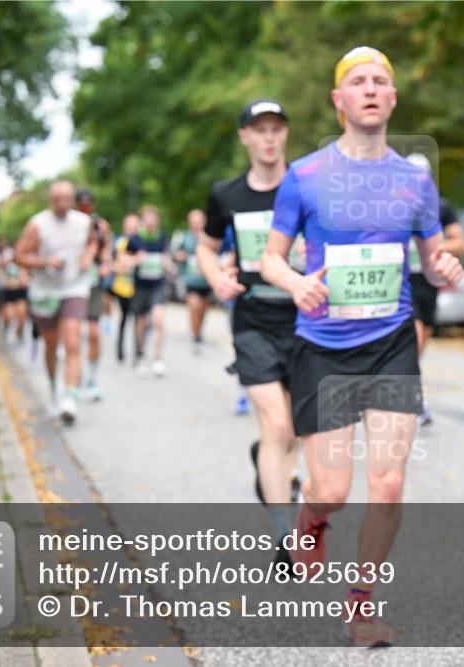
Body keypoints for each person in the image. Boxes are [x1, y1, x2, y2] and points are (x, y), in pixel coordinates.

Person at [261, 46, 463, 647]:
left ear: (393, 99)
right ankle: (311, 518)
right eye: (358, 82)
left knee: (389, 483)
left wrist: (446, 268)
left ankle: (361, 605)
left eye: (380, 81)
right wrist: (296, 282)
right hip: (322, 347)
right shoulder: (304, 176)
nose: (371, 89)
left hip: (391, 342)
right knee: (331, 490)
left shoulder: (415, 180)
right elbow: (270, 258)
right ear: (339, 100)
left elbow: (433, 259)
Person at [199, 98, 300, 557]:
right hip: (254, 321)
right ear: (244, 136)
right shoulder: (227, 194)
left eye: (276, 128)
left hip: (306, 321)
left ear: (285, 135)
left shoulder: (307, 188)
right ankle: (284, 534)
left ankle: (270, 466)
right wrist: (217, 275)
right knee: (277, 425)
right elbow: (206, 245)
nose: (269, 137)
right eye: (259, 129)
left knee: (295, 428)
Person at [14, 180, 97, 425]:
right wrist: (45, 262)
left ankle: (70, 399)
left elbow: (93, 242)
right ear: (50, 200)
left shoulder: (83, 222)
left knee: (72, 341)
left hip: (74, 287)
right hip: (45, 292)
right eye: (57, 199)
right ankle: (54, 388)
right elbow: (19, 256)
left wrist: (88, 257)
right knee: (51, 346)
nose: (62, 203)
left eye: (67, 199)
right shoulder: (38, 224)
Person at [404, 152, 464, 426]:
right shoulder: (395, 207)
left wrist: (432, 247)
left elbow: (459, 244)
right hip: (403, 279)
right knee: (414, 337)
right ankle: (413, 398)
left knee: (423, 337)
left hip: (429, 281)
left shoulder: (440, 206)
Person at [75, 189, 113, 400]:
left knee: (94, 333)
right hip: (72, 283)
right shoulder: (69, 224)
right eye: (82, 204)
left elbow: (106, 249)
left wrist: (106, 264)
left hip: (93, 282)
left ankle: (92, 379)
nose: (85, 208)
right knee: (72, 334)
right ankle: (73, 379)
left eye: (88, 204)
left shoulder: (101, 225)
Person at [129, 205, 173, 377]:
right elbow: (124, 260)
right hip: (140, 286)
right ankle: (140, 355)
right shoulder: (135, 239)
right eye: (147, 219)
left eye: (153, 219)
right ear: (142, 221)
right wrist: (136, 259)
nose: (150, 223)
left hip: (157, 285)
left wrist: (167, 264)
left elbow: (166, 256)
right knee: (140, 322)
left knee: (158, 320)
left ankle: (157, 358)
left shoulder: (161, 237)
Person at [177, 209, 211, 347]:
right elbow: (177, 254)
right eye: (193, 223)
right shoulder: (184, 237)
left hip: (207, 281)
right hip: (190, 280)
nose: (195, 225)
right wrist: (181, 256)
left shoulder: (210, 238)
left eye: (198, 222)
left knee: (202, 310)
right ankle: (194, 335)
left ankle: (198, 331)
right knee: (194, 307)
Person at [110, 213, 139, 363]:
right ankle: (120, 351)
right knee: (124, 319)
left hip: (138, 288)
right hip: (123, 288)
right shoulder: (119, 243)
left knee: (138, 321)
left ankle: (137, 352)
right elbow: (116, 264)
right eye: (129, 227)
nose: (132, 230)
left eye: (135, 227)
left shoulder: (141, 242)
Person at [0, 235, 29, 343]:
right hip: (9, 292)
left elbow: (26, 278)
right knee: (8, 316)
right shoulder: (7, 263)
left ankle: (19, 333)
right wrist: (9, 282)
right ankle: (6, 329)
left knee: (22, 315)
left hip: (21, 292)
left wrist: (20, 282)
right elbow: (2, 276)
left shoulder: (25, 262)